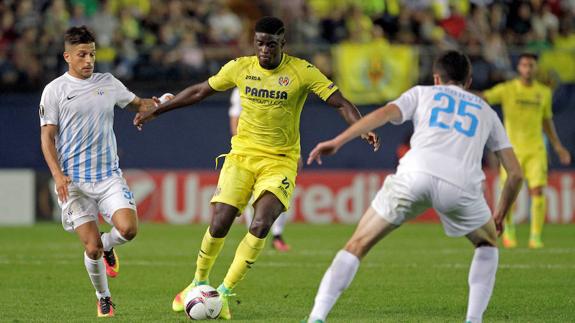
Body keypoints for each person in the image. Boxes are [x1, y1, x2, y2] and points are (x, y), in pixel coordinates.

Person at [133, 16, 380, 319]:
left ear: (282, 44)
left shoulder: (301, 71)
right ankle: (197, 281)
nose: (264, 49)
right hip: (242, 157)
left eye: (271, 44)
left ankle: (223, 292)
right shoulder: (240, 67)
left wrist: (362, 128)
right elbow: (200, 91)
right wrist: (159, 110)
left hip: (280, 161)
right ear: (254, 42)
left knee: (262, 223)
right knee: (220, 221)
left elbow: (340, 102)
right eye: (260, 43)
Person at [304, 51, 523, 323]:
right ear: (468, 81)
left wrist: (338, 141)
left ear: (436, 78)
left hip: (415, 174)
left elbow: (383, 114)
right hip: (461, 184)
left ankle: (316, 317)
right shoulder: (486, 111)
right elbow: (515, 174)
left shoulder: (422, 93)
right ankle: (473, 319)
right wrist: (499, 215)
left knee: (356, 244)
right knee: (487, 244)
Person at [39, 26, 156, 318]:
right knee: (90, 249)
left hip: (108, 176)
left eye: (91, 53)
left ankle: (108, 246)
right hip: (73, 182)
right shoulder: (55, 90)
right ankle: (103, 296)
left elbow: (138, 104)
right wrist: (57, 175)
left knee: (128, 229)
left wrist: (161, 104)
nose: (89, 59)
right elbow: (47, 137)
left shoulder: (108, 82)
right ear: (68, 56)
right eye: (82, 54)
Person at [482, 53, 571, 249]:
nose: (528, 69)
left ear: (535, 68)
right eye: (524, 65)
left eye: (531, 65)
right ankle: (510, 231)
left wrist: (557, 146)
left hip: (536, 149)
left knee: (538, 190)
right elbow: (485, 97)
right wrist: (459, 93)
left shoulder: (544, 92)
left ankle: (536, 237)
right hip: (511, 151)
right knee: (509, 194)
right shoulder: (508, 89)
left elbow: (546, 121)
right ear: (519, 68)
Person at [228, 87, 292, 252]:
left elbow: (287, 123)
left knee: (280, 192)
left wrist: (294, 152)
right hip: (250, 152)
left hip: (277, 152)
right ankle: (252, 234)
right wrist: (240, 146)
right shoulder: (242, 88)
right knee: (251, 197)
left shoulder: (281, 88)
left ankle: (277, 236)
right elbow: (235, 117)